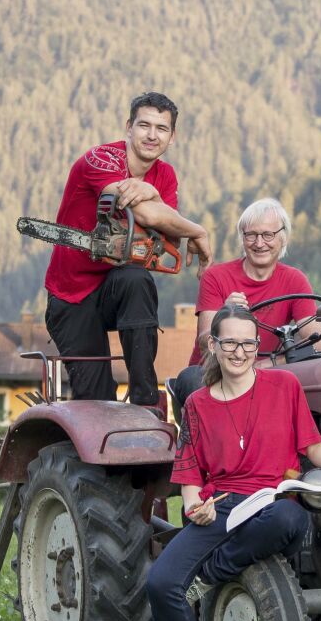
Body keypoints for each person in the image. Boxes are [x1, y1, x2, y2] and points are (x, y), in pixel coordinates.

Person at [146, 305, 321, 621]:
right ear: (213, 345)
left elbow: (313, 446)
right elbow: (190, 477)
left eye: (248, 343)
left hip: (271, 502)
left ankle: (211, 574)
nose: (239, 352)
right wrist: (194, 508)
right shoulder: (197, 404)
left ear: (258, 346)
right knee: (161, 583)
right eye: (230, 343)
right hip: (221, 507)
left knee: (287, 520)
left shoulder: (284, 385)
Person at [43, 91, 213, 408]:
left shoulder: (165, 175)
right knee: (95, 400)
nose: (152, 135)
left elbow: (166, 232)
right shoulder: (101, 159)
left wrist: (152, 193)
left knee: (136, 279)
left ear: (172, 137)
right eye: (144, 125)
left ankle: (144, 398)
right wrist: (198, 231)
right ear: (128, 127)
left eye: (161, 128)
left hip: (116, 289)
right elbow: (147, 215)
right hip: (72, 295)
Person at [170, 198, 321, 419]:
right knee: (191, 377)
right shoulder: (216, 277)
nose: (259, 243)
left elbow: (317, 343)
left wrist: (268, 364)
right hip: (217, 373)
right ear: (242, 238)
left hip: (266, 374)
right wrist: (224, 315)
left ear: (283, 238)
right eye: (251, 235)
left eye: (268, 235)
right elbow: (205, 342)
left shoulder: (295, 281)